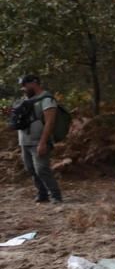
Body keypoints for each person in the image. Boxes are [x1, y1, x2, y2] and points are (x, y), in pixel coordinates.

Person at [16, 74, 61, 204]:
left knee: (42, 169)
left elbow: (50, 122)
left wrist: (43, 142)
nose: (23, 88)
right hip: (25, 141)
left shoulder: (47, 99)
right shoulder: (26, 99)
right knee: (30, 168)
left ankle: (55, 196)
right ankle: (42, 194)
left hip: (39, 141)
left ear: (34, 83)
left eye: (24, 85)